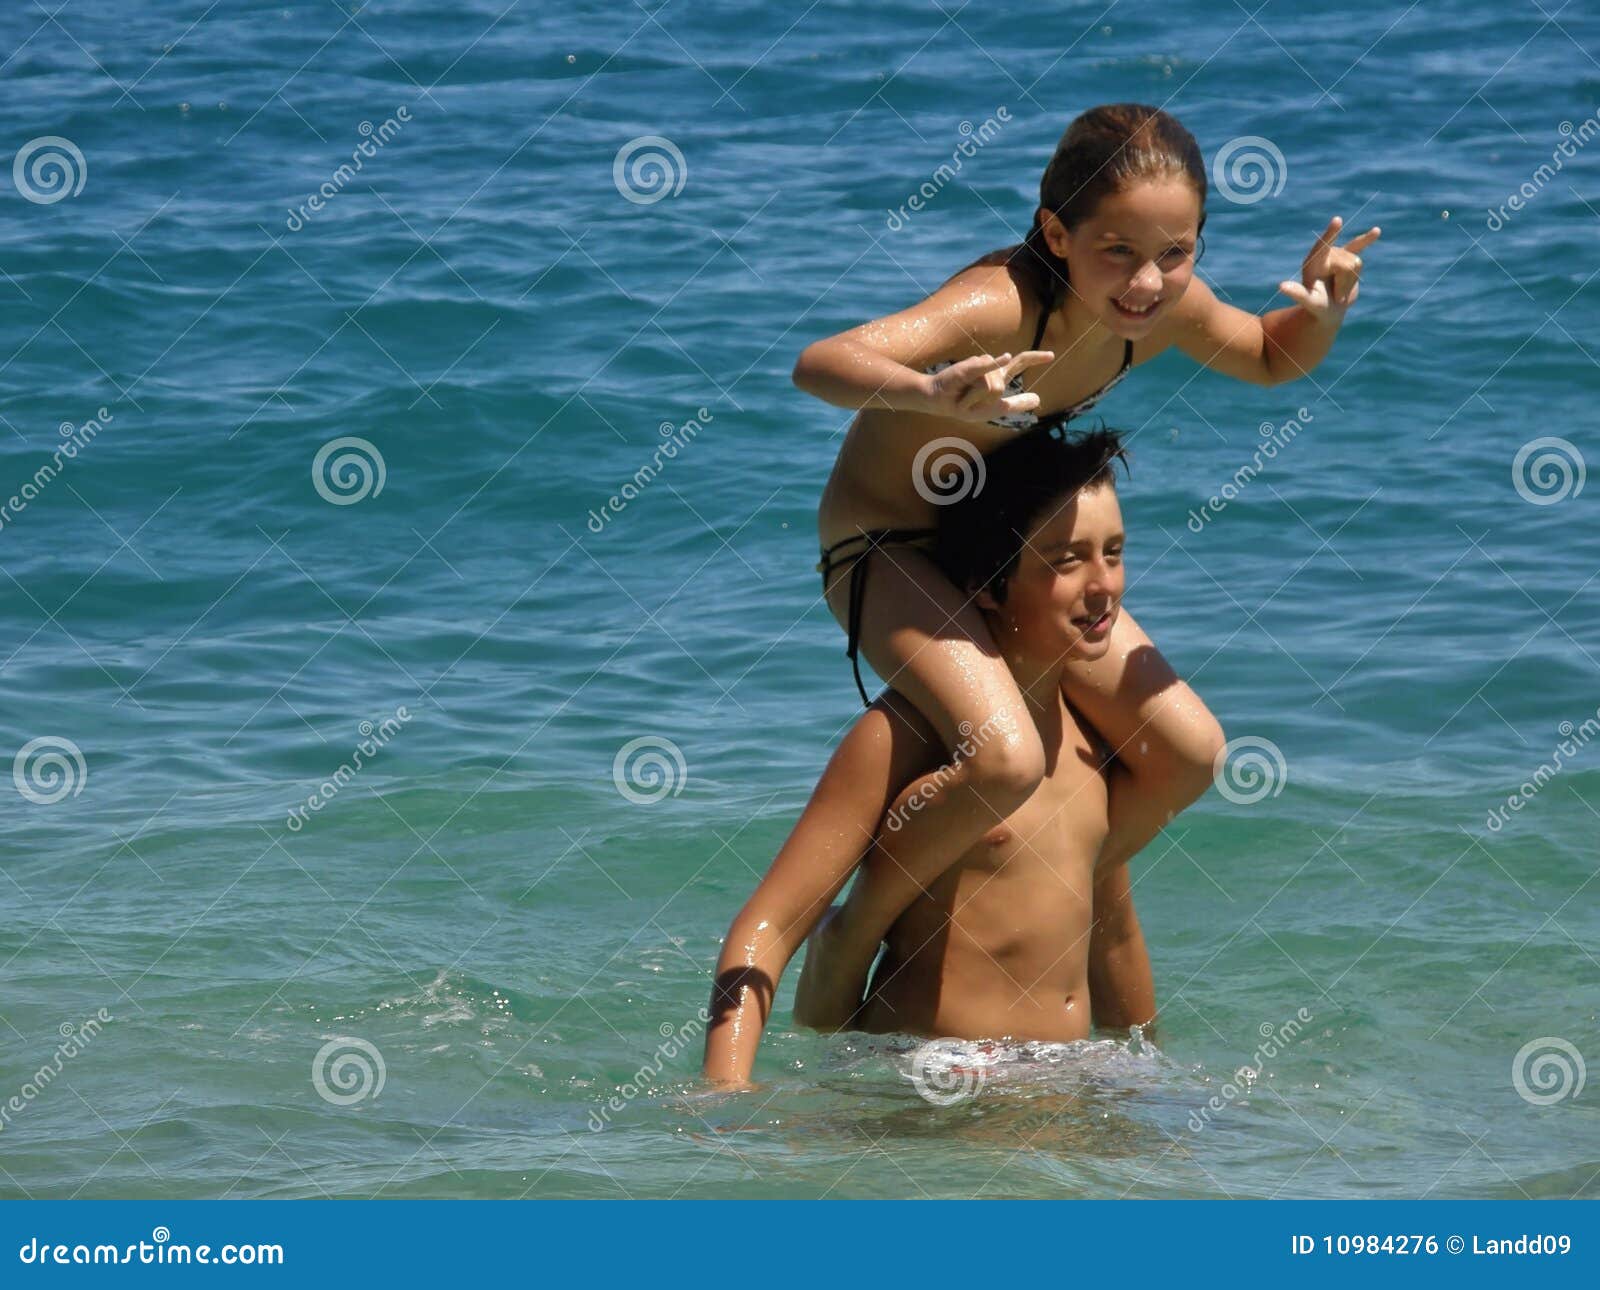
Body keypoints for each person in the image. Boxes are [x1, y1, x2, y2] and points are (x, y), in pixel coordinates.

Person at [784, 102, 1375, 1015]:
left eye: (1176, 252)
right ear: (1057, 234)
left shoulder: (1164, 308)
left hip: (1001, 544)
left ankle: (1059, 875)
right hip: (889, 544)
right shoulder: (997, 307)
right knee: (1006, 756)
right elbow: (820, 363)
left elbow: (1265, 356)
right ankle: (858, 926)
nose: (1147, 281)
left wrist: (1324, 315)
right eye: (1118, 252)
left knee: (1189, 754)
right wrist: (927, 391)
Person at [703, 427, 1183, 1085]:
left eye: (1115, 552)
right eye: (1067, 561)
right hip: (933, 1081)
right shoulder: (904, 738)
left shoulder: (1091, 739)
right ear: (988, 585)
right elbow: (773, 925)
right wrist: (724, 1093)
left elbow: (1115, 934)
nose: (1104, 586)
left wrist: (1147, 1077)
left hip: (1061, 1079)